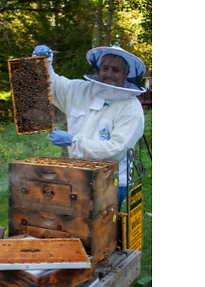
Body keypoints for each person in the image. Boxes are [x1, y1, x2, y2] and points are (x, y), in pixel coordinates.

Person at [35, 45, 146, 208]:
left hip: (111, 182)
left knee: (104, 231)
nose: (108, 74)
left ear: (126, 73)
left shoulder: (131, 108)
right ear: (98, 68)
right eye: (105, 68)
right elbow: (52, 85)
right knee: (75, 226)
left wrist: (74, 142)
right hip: (76, 175)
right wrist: (43, 62)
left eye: (115, 70)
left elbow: (117, 149)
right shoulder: (80, 90)